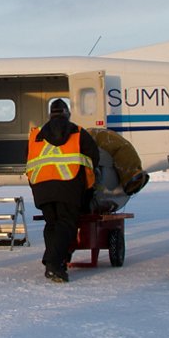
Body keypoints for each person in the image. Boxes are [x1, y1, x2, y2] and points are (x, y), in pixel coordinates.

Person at [25, 99, 99, 282]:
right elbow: (93, 159)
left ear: (50, 115)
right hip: (68, 185)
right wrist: (88, 186)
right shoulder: (78, 132)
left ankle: (56, 260)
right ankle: (53, 263)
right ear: (67, 114)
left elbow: (27, 159)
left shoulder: (36, 135)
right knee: (66, 224)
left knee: (52, 224)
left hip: (41, 187)